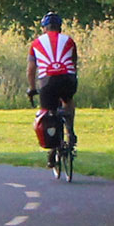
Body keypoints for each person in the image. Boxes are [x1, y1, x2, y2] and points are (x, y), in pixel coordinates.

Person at [26, 11, 79, 147]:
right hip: (67, 78)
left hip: (47, 81)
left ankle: (53, 148)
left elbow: (31, 70)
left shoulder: (36, 43)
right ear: (60, 27)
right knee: (68, 100)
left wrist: (32, 88)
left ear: (44, 28)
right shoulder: (69, 40)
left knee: (48, 112)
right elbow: (73, 63)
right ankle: (70, 131)